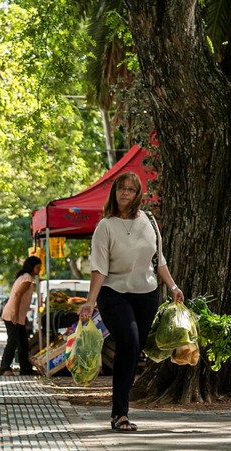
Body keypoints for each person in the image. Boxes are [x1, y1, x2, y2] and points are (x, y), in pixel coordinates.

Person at [77, 172, 184, 432]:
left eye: (131, 190)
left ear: (138, 195)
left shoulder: (149, 221)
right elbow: (99, 268)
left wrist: (173, 286)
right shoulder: (106, 225)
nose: (125, 193)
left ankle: (119, 410)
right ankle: (120, 414)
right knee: (130, 341)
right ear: (114, 192)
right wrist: (91, 301)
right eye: (121, 188)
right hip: (113, 293)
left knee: (133, 351)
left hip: (146, 293)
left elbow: (159, 259)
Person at [0, 256, 42, 376]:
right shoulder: (27, 279)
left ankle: (25, 368)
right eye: (38, 267)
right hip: (12, 314)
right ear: (32, 267)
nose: (39, 270)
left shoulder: (25, 278)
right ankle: (5, 367)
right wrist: (16, 314)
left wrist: (23, 316)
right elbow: (17, 295)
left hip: (17, 315)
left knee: (23, 342)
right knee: (13, 341)